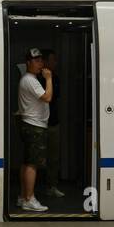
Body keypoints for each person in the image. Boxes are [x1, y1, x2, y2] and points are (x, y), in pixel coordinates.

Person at [17, 48, 53, 212]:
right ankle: (29, 199)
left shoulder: (29, 79)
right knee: (32, 164)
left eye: (41, 60)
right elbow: (47, 97)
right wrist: (49, 78)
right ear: (28, 63)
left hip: (29, 125)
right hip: (35, 126)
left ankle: (23, 196)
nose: (41, 63)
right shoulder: (31, 80)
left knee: (26, 162)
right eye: (36, 61)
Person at [41, 49, 64, 199]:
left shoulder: (55, 78)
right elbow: (46, 98)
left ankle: (52, 186)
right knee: (38, 158)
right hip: (40, 123)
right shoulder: (36, 79)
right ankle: (34, 189)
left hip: (53, 121)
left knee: (53, 157)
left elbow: (56, 97)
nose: (55, 63)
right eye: (53, 59)